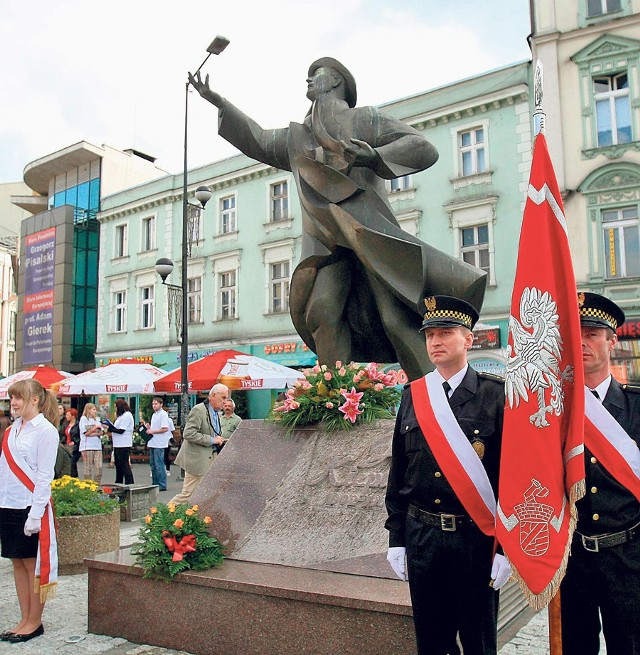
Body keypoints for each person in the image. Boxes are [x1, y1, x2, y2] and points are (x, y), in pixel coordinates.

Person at [189, 59, 486, 382]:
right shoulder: (297, 138)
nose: (308, 80)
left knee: (395, 318)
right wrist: (220, 103)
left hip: (369, 237)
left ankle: (436, 395)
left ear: (335, 82)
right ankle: (337, 397)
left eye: (316, 75)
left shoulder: (364, 119)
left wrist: (374, 156)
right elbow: (257, 139)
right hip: (328, 242)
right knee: (323, 312)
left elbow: (422, 147)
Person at [385, 295, 509, 655]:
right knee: (432, 640)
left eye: (445, 333)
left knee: (479, 641)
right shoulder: (413, 397)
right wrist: (397, 537)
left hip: (476, 539)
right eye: (429, 335)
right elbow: (399, 474)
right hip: (424, 536)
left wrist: (508, 548)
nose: (435, 342)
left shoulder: (495, 396)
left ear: (468, 339)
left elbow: (510, 478)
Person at [560, 292, 640, 655]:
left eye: (592, 333)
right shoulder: (553, 412)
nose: (582, 342)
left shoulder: (636, 406)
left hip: (627, 556)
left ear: (613, 341)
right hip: (573, 559)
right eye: (576, 333)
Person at [0, 379, 59, 643]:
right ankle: (24, 619)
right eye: (12, 398)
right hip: (8, 503)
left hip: (29, 505)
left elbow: (45, 475)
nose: (13, 403)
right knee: (16, 562)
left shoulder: (46, 431)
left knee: (32, 564)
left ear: (35, 400)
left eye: (19, 398)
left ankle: (35, 622)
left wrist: (36, 514)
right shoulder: (12, 431)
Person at [170, 384, 229, 505]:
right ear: (213, 395)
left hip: (211, 457)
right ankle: (161, 517)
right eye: (223, 398)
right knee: (188, 494)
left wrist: (220, 440)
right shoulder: (199, 410)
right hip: (197, 459)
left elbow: (213, 433)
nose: (225, 401)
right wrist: (213, 440)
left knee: (210, 492)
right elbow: (188, 433)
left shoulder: (216, 413)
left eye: (226, 398)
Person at [106, 399, 135, 485]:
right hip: (118, 443)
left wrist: (111, 429)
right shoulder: (120, 416)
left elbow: (122, 430)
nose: (115, 410)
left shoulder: (127, 415)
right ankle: (118, 481)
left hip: (124, 443)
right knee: (118, 464)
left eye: (116, 407)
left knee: (124, 464)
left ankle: (129, 482)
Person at [145, 397, 171, 492]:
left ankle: (162, 484)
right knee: (153, 464)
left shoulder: (163, 414)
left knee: (159, 464)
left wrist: (152, 431)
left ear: (161, 404)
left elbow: (165, 428)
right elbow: (156, 428)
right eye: (153, 404)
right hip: (153, 441)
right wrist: (149, 427)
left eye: (156, 404)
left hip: (159, 443)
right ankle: (155, 483)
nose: (154, 406)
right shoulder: (154, 415)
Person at [79, 403, 104, 483]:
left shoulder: (97, 419)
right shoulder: (84, 419)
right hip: (87, 446)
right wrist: (95, 428)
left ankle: (97, 483)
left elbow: (102, 432)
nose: (95, 411)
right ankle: (88, 485)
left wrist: (94, 432)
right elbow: (86, 433)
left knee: (99, 466)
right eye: (93, 409)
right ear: (88, 410)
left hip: (97, 446)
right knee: (88, 467)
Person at [63, 408, 80, 477]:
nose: (66, 416)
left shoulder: (78, 425)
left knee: (72, 462)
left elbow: (79, 435)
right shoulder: (66, 424)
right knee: (69, 463)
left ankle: (74, 477)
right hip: (67, 446)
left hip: (74, 447)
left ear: (73, 416)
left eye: (68, 415)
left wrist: (75, 442)